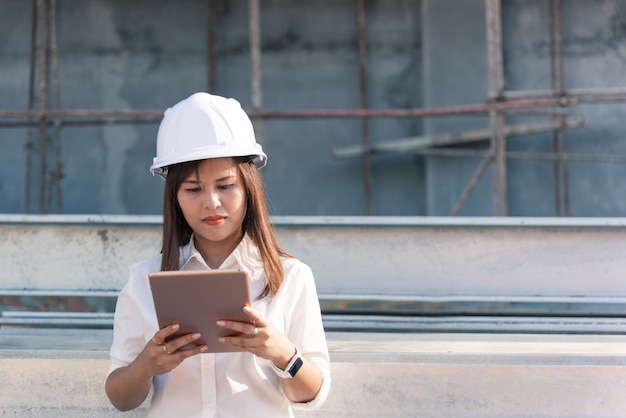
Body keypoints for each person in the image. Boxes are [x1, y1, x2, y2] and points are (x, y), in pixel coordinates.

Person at [105, 92, 331, 417]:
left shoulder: (290, 276)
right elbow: (121, 399)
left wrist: (282, 354)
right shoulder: (143, 278)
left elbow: (309, 395)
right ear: (175, 198)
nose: (211, 202)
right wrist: (146, 365)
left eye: (225, 186)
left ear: (248, 188)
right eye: (193, 189)